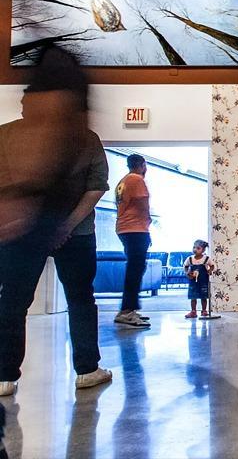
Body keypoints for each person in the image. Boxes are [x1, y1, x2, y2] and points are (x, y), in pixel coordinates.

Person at [0, 46, 112, 397]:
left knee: (13, 301)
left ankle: (4, 375)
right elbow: (96, 187)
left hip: (21, 230)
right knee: (80, 298)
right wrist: (66, 225)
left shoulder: (6, 135)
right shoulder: (86, 137)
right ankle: (86, 369)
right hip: (76, 233)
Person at [113, 153, 152, 328]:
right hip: (136, 229)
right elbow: (144, 205)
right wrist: (147, 225)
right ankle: (127, 311)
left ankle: (129, 310)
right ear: (142, 165)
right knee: (135, 270)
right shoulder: (137, 180)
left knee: (134, 268)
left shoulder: (122, 182)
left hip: (124, 228)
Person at [184, 240, 215, 318]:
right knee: (193, 296)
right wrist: (187, 273)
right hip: (193, 281)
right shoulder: (190, 259)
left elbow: (212, 266)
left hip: (203, 280)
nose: (195, 249)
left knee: (203, 296)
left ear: (203, 250)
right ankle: (193, 311)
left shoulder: (206, 259)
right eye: (194, 247)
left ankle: (204, 311)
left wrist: (209, 271)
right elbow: (185, 266)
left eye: (198, 248)